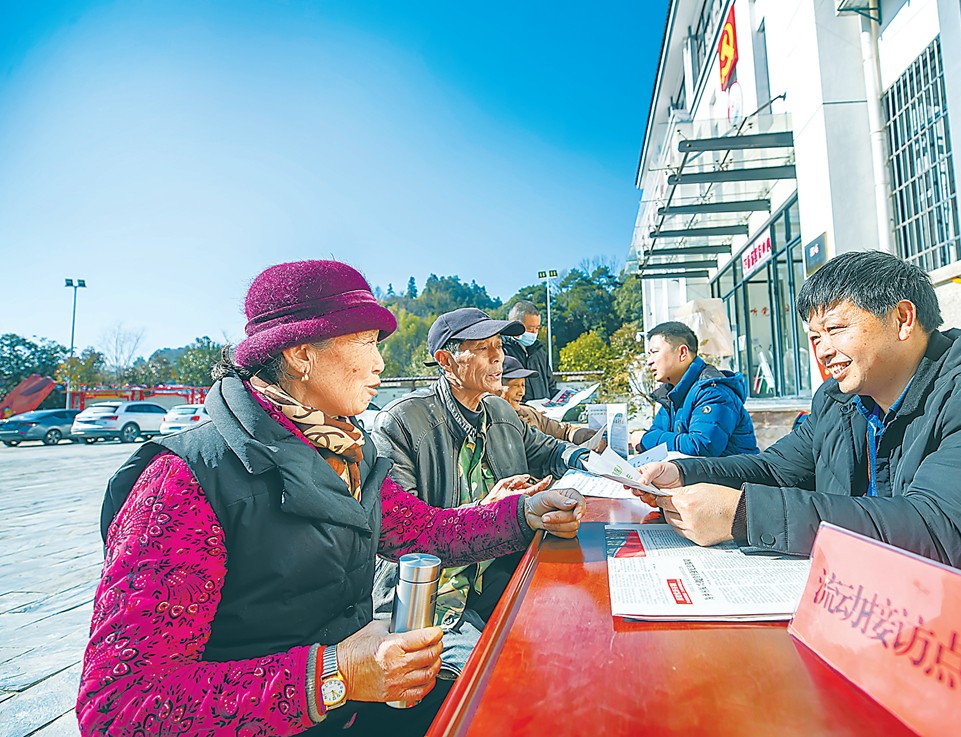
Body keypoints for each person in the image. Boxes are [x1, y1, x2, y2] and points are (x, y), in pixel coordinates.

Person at [77, 260, 585, 737]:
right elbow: (121, 704)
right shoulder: (187, 480)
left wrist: (524, 512)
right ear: (302, 354)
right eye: (367, 341)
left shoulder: (345, 452)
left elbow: (424, 531)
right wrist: (330, 676)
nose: (380, 363)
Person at [634, 250, 961, 715]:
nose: (821, 351)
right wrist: (682, 471)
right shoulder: (840, 402)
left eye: (835, 329)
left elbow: (944, 532)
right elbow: (776, 468)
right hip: (904, 632)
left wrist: (741, 515)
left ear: (902, 318)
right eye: (814, 336)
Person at [371, 307, 589, 677]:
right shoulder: (402, 422)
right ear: (445, 360)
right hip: (435, 598)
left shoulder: (501, 411)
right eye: (483, 347)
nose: (498, 357)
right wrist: (489, 507)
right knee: (502, 678)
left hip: (501, 573)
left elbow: (549, 451)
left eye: (499, 346)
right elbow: (403, 539)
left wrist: (593, 462)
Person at [635, 321, 758, 457]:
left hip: (733, 476)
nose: (649, 361)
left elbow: (701, 446)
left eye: (655, 352)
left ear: (682, 353)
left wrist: (644, 439)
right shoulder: (670, 395)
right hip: (697, 475)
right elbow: (656, 433)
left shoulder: (713, 391)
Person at [498, 356, 600, 447]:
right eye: (515, 385)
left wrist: (585, 436)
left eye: (523, 385)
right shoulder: (487, 421)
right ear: (494, 386)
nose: (521, 392)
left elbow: (564, 431)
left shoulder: (529, 413)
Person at [502, 300, 557, 402]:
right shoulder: (502, 351)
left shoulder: (540, 353)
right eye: (530, 328)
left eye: (537, 328)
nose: (534, 333)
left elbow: (551, 387)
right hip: (516, 414)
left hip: (542, 414)